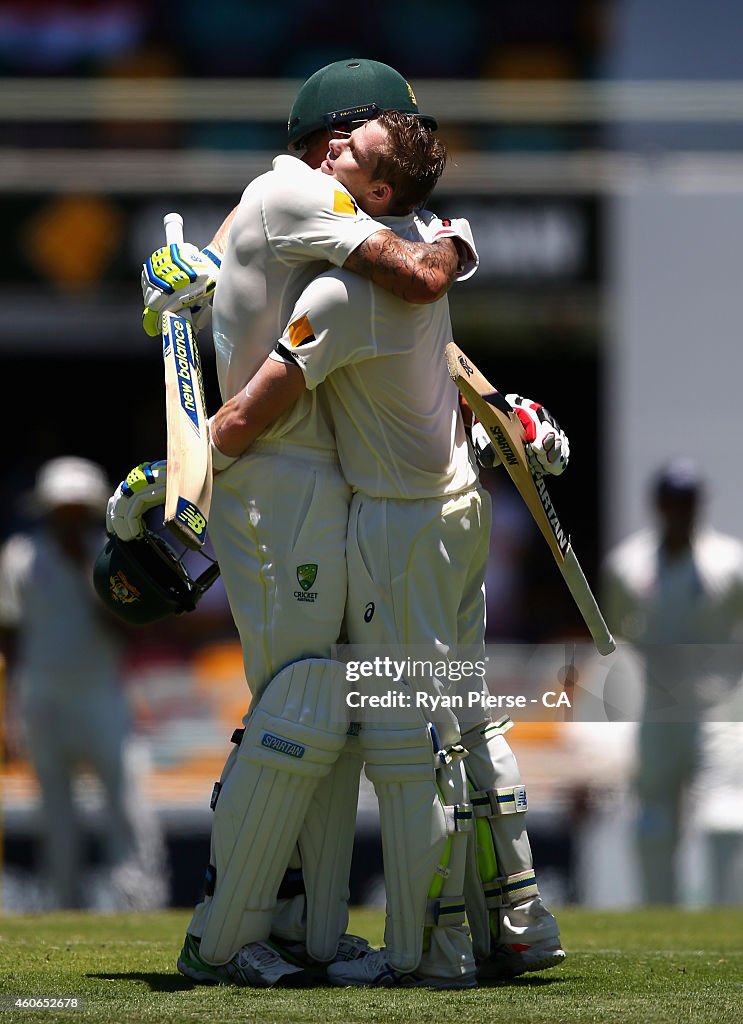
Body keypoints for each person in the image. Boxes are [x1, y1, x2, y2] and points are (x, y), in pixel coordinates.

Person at [107, 58, 478, 988]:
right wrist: (457, 243)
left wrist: (181, 272)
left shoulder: (283, 197)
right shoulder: (301, 193)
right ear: (334, 141)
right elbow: (419, 278)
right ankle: (223, 936)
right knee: (304, 705)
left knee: (323, 713)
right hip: (277, 479)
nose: (390, 155)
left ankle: (306, 932)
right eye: (381, 132)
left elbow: (240, 244)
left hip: (310, 477)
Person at [204, 110, 567, 986]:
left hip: (397, 530)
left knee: (411, 749)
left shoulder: (344, 293)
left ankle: (428, 956)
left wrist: (169, 478)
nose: (329, 151)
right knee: (466, 717)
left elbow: (247, 420)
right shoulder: (434, 252)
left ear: (375, 190)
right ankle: (516, 921)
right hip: (457, 514)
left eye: (351, 151)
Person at [0, 457, 168, 911]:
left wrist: (85, 574)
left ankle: (142, 900)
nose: (70, 520)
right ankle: (61, 901)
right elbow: (10, 636)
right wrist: (8, 709)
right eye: (62, 511)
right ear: (49, 512)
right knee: (55, 813)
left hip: (101, 695)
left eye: (78, 510)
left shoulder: (113, 557)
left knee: (126, 803)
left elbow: (127, 629)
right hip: (42, 698)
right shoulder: (18, 556)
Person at [602, 457, 743, 904]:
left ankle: (726, 926)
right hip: (657, 712)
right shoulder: (627, 566)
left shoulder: (730, 563)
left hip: (716, 714)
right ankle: (659, 924)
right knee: (653, 826)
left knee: (724, 822)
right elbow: (615, 632)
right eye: (672, 501)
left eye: (687, 501)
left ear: (700, 504)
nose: (680, 510)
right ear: (657, 504)